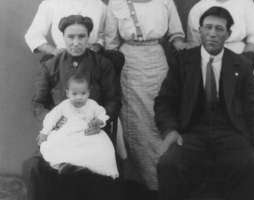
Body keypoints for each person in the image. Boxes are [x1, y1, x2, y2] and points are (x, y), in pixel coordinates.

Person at [154, 7, 254, 200]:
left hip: (230, 130)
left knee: (249, 165)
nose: (212, 34)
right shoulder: (182, 61)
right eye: (208, 27)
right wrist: (170, 130)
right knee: (168, 165)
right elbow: (165, 102)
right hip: (192, 131)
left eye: (219, 29)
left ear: (228, 34)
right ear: (199, 31)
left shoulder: (240, 64)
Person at [25, 15, 121, 200]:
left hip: (92, 129)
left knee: (96, 163)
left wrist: (100, 120)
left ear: (88, 37)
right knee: (36, 166)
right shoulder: (50, 66)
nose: (76, 43)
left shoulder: (102, 64)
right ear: (63, 37)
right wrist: (54, 121)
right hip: (61, 129)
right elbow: (37, 103)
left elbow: (113, 100)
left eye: (82, 37)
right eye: (71, 37)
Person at [105, 0, 187, 191]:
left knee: (160, 116)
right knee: (136, 122)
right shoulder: (117, 3)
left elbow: (176, 34)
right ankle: (143, 183)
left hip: (158, 60)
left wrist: (180, 44)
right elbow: (111, 42)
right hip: (130, 64)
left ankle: (165, 180)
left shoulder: (164, 1)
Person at [186, 0, 254, 140]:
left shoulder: (244, 2)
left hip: (241, 55)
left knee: (250, 103)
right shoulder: (199, 8)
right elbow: (194, 44)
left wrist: (242, 61)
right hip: (210, 60)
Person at [38, 74, 118, 178]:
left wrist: (99, 121)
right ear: (67, 93)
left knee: (100, 147)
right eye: (74, 94)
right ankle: (64, 165)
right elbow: (52, 117)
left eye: (83, 93)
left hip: (88, 132)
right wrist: (45, 132)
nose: (79, 98)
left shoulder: (92, 104)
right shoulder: (64, 105)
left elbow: (101, 113)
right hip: (68, 131)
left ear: (88, 93)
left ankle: (86, 167)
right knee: (58, 143)